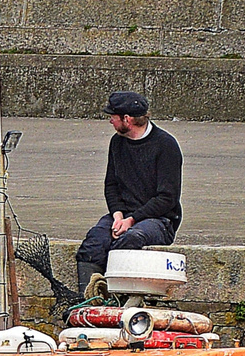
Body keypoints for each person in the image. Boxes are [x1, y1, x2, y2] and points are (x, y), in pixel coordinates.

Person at [75, 91, 183, 295]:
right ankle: (89, 300)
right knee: (94, 243)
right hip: (123, 215)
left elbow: (167, 198)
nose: (110, 121)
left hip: (159, 220)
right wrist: (117, 215)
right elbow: (111, 185)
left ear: (127, 119)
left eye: (113, 117)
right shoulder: (117, 142)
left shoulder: (166, 145)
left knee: (130, 240)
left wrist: (131, 220)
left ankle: (118, 298)